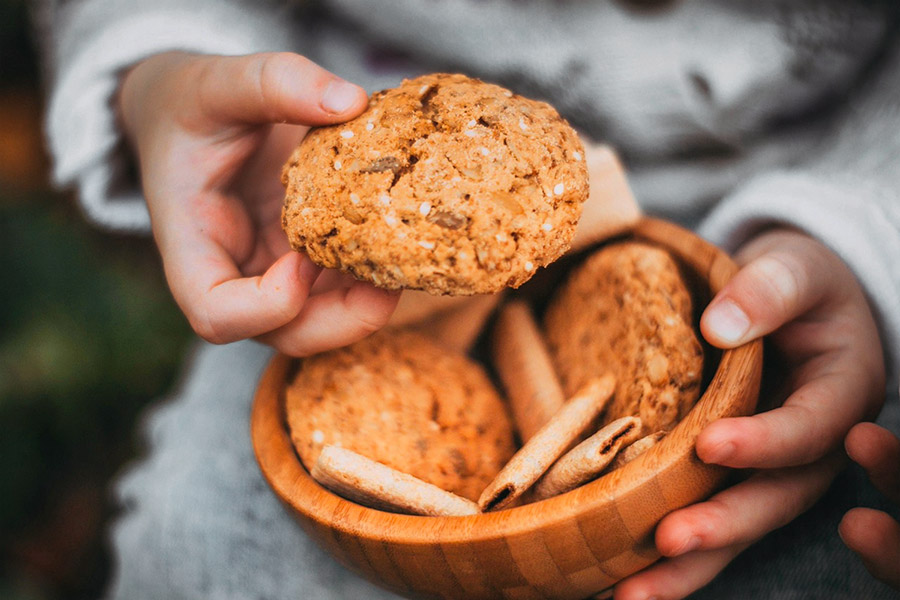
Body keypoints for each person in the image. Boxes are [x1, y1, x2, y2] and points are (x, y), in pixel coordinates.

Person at [35, 0, 900, 598]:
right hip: (318, 222)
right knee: (197, 548)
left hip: (810, 219)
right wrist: (160, 72)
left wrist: (856, 223)